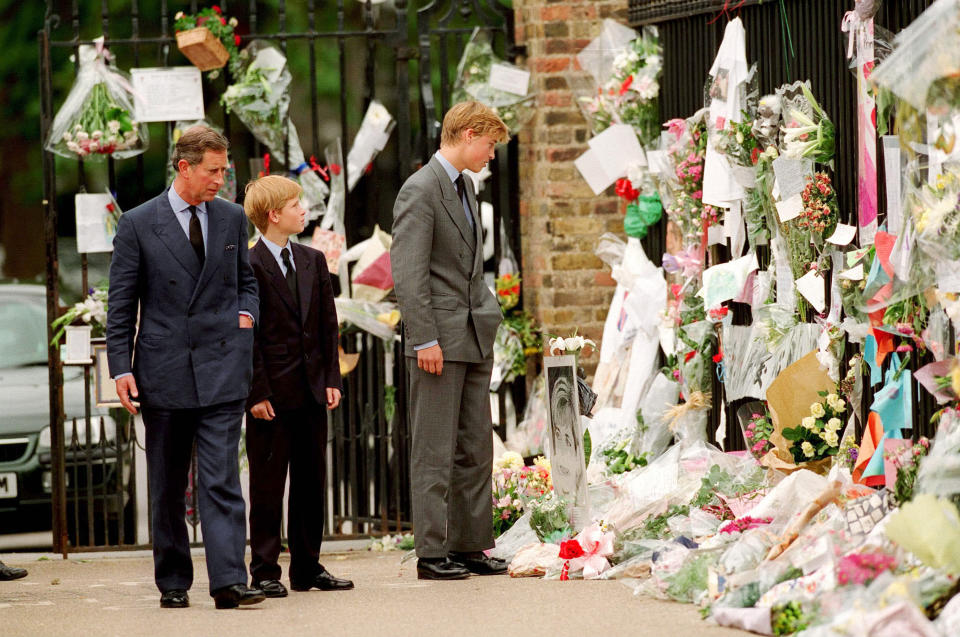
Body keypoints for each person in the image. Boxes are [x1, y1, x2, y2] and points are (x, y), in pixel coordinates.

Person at [106, 126, 264, 610]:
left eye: (224, 170)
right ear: (184, 168)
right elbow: (121, 303)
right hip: (164, 369)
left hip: (221, 367)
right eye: (213, 171)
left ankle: (228, 581)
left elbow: (247, 284)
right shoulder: (136, 223)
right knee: (168, 486)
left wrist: (246, 316)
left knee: (222, 480)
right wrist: (120, 367)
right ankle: (173, 580)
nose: (222, 179)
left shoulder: (233, 218)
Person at [390, 101, 510, 580]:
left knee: (475, 447)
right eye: (489, 144)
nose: (491, 155)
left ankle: (469, 546)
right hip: (437, 338)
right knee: (434, 449)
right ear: (467, 134)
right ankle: (432, 553)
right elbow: (409, 272)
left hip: (474, 333)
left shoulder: (463, 186)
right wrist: (423, 339)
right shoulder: (420, 189)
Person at [241, 175, 352, 597]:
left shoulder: (312, 259)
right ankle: (265, 571)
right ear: (273, 215)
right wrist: (256, 393)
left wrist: (330, 378)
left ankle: (307, 567)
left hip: (310, 391)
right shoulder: (248, 265)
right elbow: (246, 337)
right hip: (271, 395)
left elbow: (327, 325)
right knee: (268, 485)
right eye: (295, 205)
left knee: (311, 481)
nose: (304, 211)